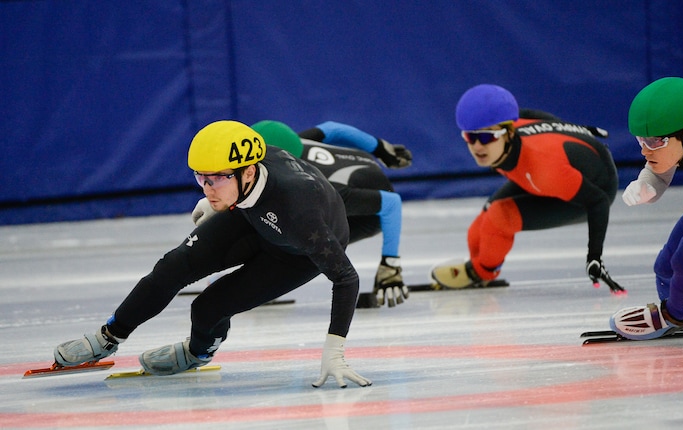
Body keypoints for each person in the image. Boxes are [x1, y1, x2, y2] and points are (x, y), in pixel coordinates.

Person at [53, 120, 371, 388]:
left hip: (293, 255)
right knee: (172, 267)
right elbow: (234, 189)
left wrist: (334, 348)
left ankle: (197, 353)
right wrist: (219, 197)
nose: (207, 188)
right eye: (200, 178)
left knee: (208, 308)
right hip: (251, 216)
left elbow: (346, 278)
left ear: (247, 173)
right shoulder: (244, 176)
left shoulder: (301, 212)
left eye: (215, 179)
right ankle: (108, 336)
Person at [192, 120, 412, 307]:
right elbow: (332, 128)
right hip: (359, 169)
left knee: (289, 231)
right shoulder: (288, 146)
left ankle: (260, 281)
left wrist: (390, 264)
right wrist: (381, 148)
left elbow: (391, 204)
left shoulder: (320, 189)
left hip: (367, 214)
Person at [431, 84, 625, 294]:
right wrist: (575, 128)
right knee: (477, 230)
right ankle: (480, 266)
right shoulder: (507, 125)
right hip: (553, 168)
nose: (477, 146)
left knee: (498, 219)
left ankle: (482, 272)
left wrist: (594, 257)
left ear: (509, 133)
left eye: (487, 137)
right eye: (470, 137)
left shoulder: (544, 168)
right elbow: (529, 115)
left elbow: (598, 201)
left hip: (593, 190)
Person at [610, 77, 683, 339]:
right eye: (640, 140)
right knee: (666, 266)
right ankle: (671, 312)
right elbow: (660, 169)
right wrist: (646, 184)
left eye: (653, 141)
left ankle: (673, 315)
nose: (645, 151)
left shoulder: (682, 141)